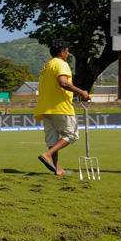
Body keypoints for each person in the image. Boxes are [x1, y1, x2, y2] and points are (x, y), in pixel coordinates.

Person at [34, 40, 90, 176]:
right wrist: (81, 92)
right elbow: (63, 82)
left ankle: (58, 168)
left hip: (45, 108)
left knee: (52, 139)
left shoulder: (45, 67)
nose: (68, 53)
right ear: (61, 51)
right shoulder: (61, 64)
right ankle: (47, 154)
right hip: (60, 106)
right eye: (67, 50)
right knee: (71, 135)